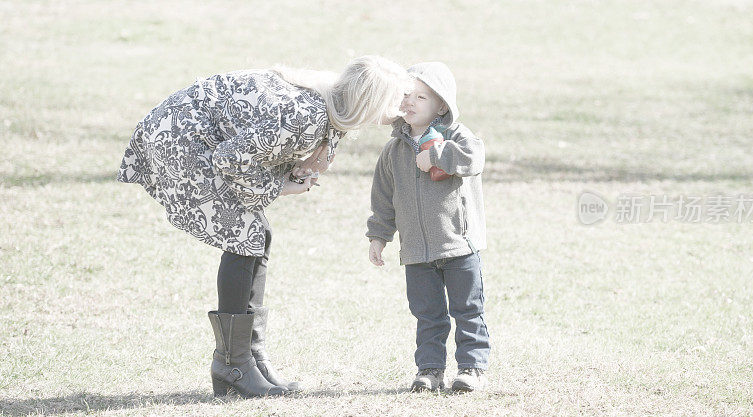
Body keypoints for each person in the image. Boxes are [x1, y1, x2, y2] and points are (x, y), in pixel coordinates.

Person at [118, 56, 410, 398]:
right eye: (397, 100)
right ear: (370, 102)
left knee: (257, 235)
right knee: (246, 236)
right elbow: (229, 159)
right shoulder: (307, 116)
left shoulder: (330, 102)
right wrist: (282, 186)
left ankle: (250, 358)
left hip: (191, 133)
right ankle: (232, 364)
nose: (403, 107)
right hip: (179, 139)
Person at [366, 62, 490, 392]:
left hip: (458, 245)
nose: (410, 101)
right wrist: (379, 236)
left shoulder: (456, 137)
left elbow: (474, 159)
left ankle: (472, 368)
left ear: (441, 106)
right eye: (405, 94)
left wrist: (438, 154)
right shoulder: (393, 150)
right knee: (427, 315)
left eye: (421, 96)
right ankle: (430, 369)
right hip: (417, 250)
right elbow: (383, 198)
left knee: (468, 310)